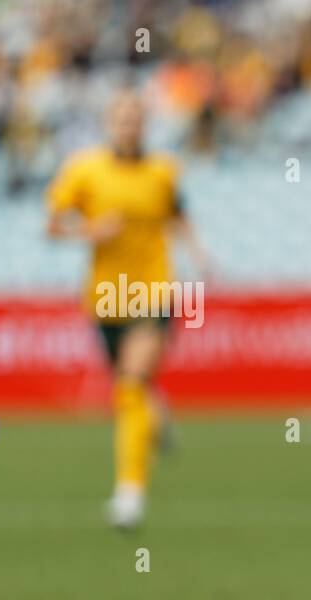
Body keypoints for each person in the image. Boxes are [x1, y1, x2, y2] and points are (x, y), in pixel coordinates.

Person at [46, 90, 209, 529]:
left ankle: (129, 493)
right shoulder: (84, 170)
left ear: (146, 125)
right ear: (109, 124)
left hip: (153, 294)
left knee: (130, 386)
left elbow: (178, 215)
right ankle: (156, 415)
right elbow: (53, 224)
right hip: (105, 298)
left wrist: (200, 256)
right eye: (121, 119)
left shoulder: (163, 170)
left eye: (136, 119)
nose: (129, 126)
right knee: (130, 387)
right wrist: (90, 230)